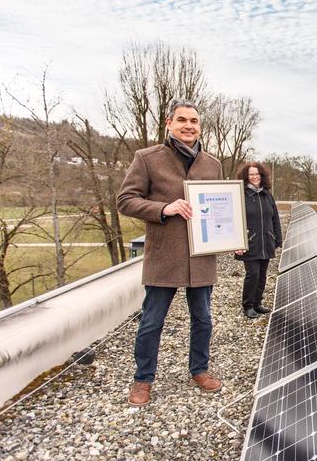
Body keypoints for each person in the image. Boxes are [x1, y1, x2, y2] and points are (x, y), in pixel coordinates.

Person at [117, 99, 224, 407]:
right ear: (169, 123)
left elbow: (220, 207)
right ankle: (143, 379)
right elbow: (125, 200)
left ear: (199, 126)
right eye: (182, 120)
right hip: (164, 254)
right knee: (152, 321)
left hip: (202, 255)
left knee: (203, 319)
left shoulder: (212, 164)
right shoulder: (148, 158)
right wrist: (163, 208)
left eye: (194, 121)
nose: (188, 125)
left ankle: (199, 369)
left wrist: (231, 238)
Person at [234, 162, 282, 319]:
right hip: (250, 242)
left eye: (257, 174)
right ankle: (247, 305)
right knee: (252, 274)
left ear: (262, 176)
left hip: (267, 241)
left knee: (262, 275)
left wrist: (277, 238)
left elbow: (274, 218)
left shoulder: (267, 195)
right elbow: (235, 220)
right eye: (251, 174)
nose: (254, 177)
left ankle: (257, 303)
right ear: (246, 177)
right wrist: (237, 242)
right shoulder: (242, 195)